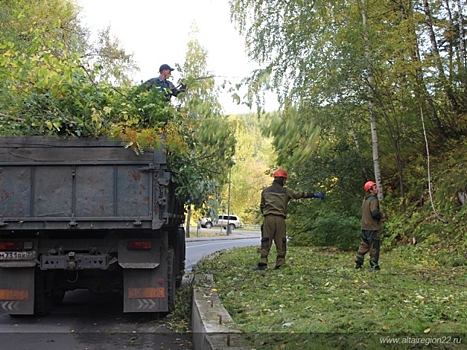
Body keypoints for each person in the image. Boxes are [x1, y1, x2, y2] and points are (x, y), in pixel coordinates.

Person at [253, 169, 325, 271]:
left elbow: (262, 206)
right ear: (283, 180)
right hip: (280, 219)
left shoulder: (266, 191)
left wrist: (267, 214)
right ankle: (280, 263)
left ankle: (263, 263)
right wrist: (314, 195)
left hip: (268, 218)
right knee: (281, 241)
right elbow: (300, 194)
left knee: (266, 240)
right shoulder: (286, 191)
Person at [355, 181, 384, 271]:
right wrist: (382, 215)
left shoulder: (365, 199)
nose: (377, 189)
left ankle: (358, 263)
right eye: (375, 188)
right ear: (370, 190)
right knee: (374, 246)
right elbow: (374, 213)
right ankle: (374, 265)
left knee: (363, 245)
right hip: (372, 228)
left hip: (364, 227)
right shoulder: (374, 200)